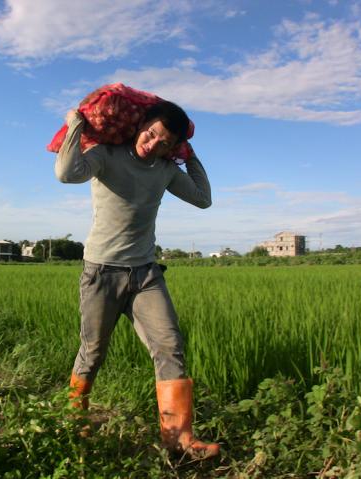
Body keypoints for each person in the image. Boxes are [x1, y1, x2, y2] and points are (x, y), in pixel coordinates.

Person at [55, 101, 219, 459]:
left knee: (170, 345)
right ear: (141, 124)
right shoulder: (106, 155)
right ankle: (74, 416)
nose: (153, 144)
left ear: (171, 147)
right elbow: (67, 174)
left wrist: (189, 157)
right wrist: (74, 125)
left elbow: (203, 199)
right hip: (101, 273)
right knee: (94, 351)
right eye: (151, 133)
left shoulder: (165, 169)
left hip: (145, 274)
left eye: (164, 142)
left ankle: (178, 437)